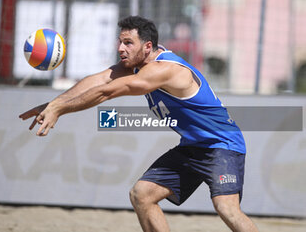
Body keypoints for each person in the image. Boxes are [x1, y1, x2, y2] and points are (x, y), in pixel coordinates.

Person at [19, 16, 259, 232]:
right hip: (192, 146)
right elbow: (98, 80)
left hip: (222, 144)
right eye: (120, 42)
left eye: (128, 43)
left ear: (147, 47)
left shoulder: (165, 70)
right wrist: (54, 103)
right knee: (142, 194)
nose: (120, 48)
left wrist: (60, 109)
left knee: (226, 208)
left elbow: (106, 92)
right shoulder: (137, 66)